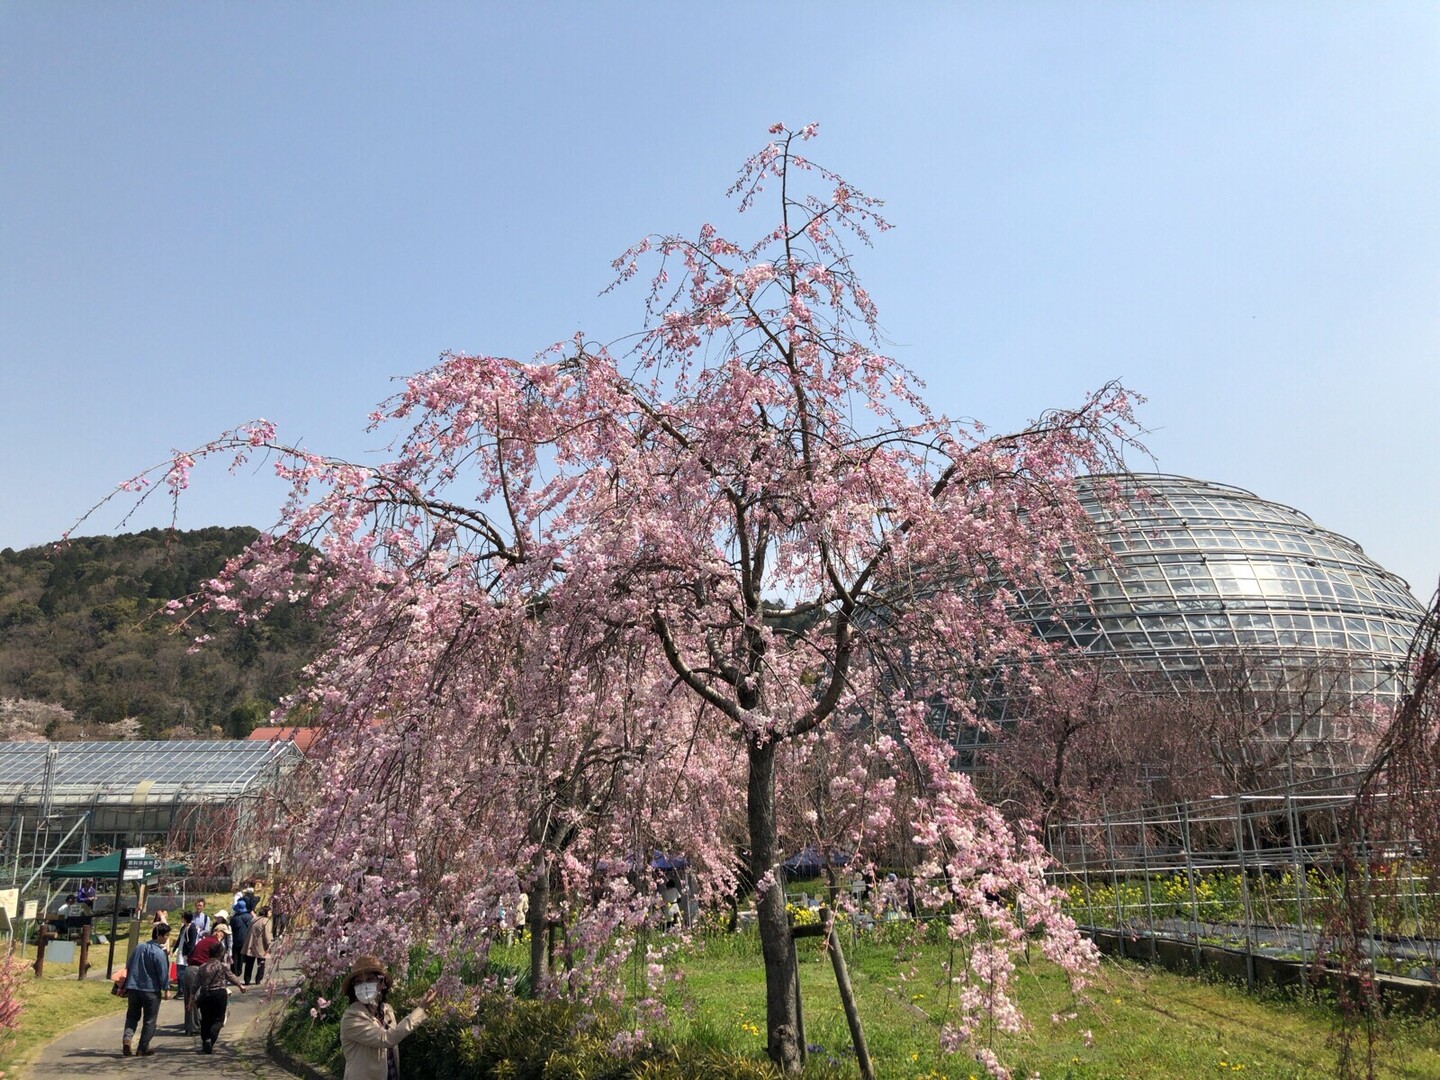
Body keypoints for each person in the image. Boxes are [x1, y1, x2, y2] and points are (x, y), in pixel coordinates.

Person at [338, 954, 438, 1080]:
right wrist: (421, 1010)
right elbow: (386, 1038)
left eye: (369, 980)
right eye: (358, 982)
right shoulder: (351, 1017)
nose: (364, 986)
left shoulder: (387, 1010)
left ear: (381, 983)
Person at [122, 923, 171, 1056]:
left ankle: (127, 1038)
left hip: (133, 987)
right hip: (151, 990)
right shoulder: (159, 953)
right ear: (160, 936)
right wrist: (166, 988)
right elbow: (163, 972)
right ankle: (142, 1047)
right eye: (166, 935)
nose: (167, 938)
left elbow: (129, 964)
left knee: (132, 1016)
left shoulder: (139, 947)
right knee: (150, 1020)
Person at [193, 941, 246, 1053]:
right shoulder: (222, 966)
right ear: (219, 954)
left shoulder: (202, 967)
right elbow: (231, 977)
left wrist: (190, 999)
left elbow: (195, 984)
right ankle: (210, 1039)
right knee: (218, 1020)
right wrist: (240, 986)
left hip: (206, 995)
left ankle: (205, 1041)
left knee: (206, 1019)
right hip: (219, 994)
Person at [175, 910, 200, 1035]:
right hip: (180, 953)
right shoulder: (183, 927)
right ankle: (180, 989)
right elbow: (180, 939)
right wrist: (174, 949)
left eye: (182, 917)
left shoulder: (192, 929)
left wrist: (189, 955)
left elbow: (191, 943)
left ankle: (182, 989)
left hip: (185, 955)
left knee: (182, 974)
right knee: (179, 973)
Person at [241, 904, 271, 984]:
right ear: (266, 913)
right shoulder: (266, 921)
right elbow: (267, 935)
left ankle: (247, 980)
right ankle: (258, 979)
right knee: (261, 962)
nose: (271, 913)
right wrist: (268, 944)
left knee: (249, 963)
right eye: (270, 912)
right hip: (260, 944)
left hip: (251, 943)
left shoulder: (254, 919)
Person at [229, 899, 252, 976]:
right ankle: (239, 970)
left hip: (236, 940)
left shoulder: (234, 919)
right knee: (241, 957)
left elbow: (230, 929)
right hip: (245, 940)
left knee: (235, 956)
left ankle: (234, 972)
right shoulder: (249, 917)